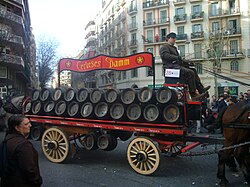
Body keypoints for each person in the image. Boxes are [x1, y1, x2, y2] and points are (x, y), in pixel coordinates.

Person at [160, 32, 210, 101]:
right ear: (168, 38)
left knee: (193, 70)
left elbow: (179, 60)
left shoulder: (174, 48)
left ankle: (201, 89)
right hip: (170, 68)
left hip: (176, 66)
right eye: (173, 38)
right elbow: (165, 56)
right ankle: (193, 94)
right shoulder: (164, 47)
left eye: (175, 38)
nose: (175, 40)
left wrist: (188, 63)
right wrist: (177, 57)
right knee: (190, 72)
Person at [0, 114, 43, 187]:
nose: (30, 125)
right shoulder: (23, 145)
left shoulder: (7, 140)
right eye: (26, 124)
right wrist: (38, 181)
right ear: (17, 128)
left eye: (29, 123)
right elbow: (29, 170)